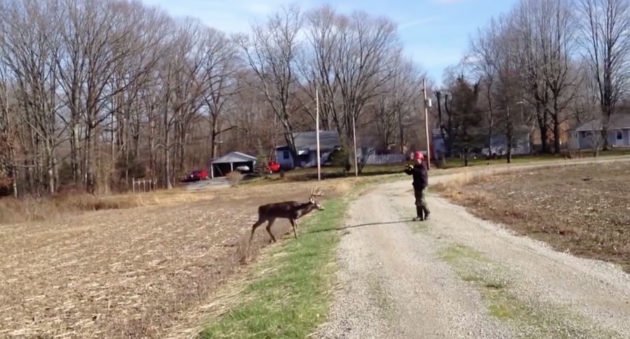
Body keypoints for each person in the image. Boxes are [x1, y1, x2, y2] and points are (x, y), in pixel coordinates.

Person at [404, 151, 430, 221]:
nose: (416, 161)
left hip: (422, 186)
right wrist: (407, 167)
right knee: (417, 202)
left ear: (421, 159)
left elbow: (420, 173)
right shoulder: (415, 166)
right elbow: (410, 172)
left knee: (422, 201)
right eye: (415, 160)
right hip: (416, 186)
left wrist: (413, 169)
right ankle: (419, 216)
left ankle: (427, 213)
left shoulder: (423, 166)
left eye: (417, 159)